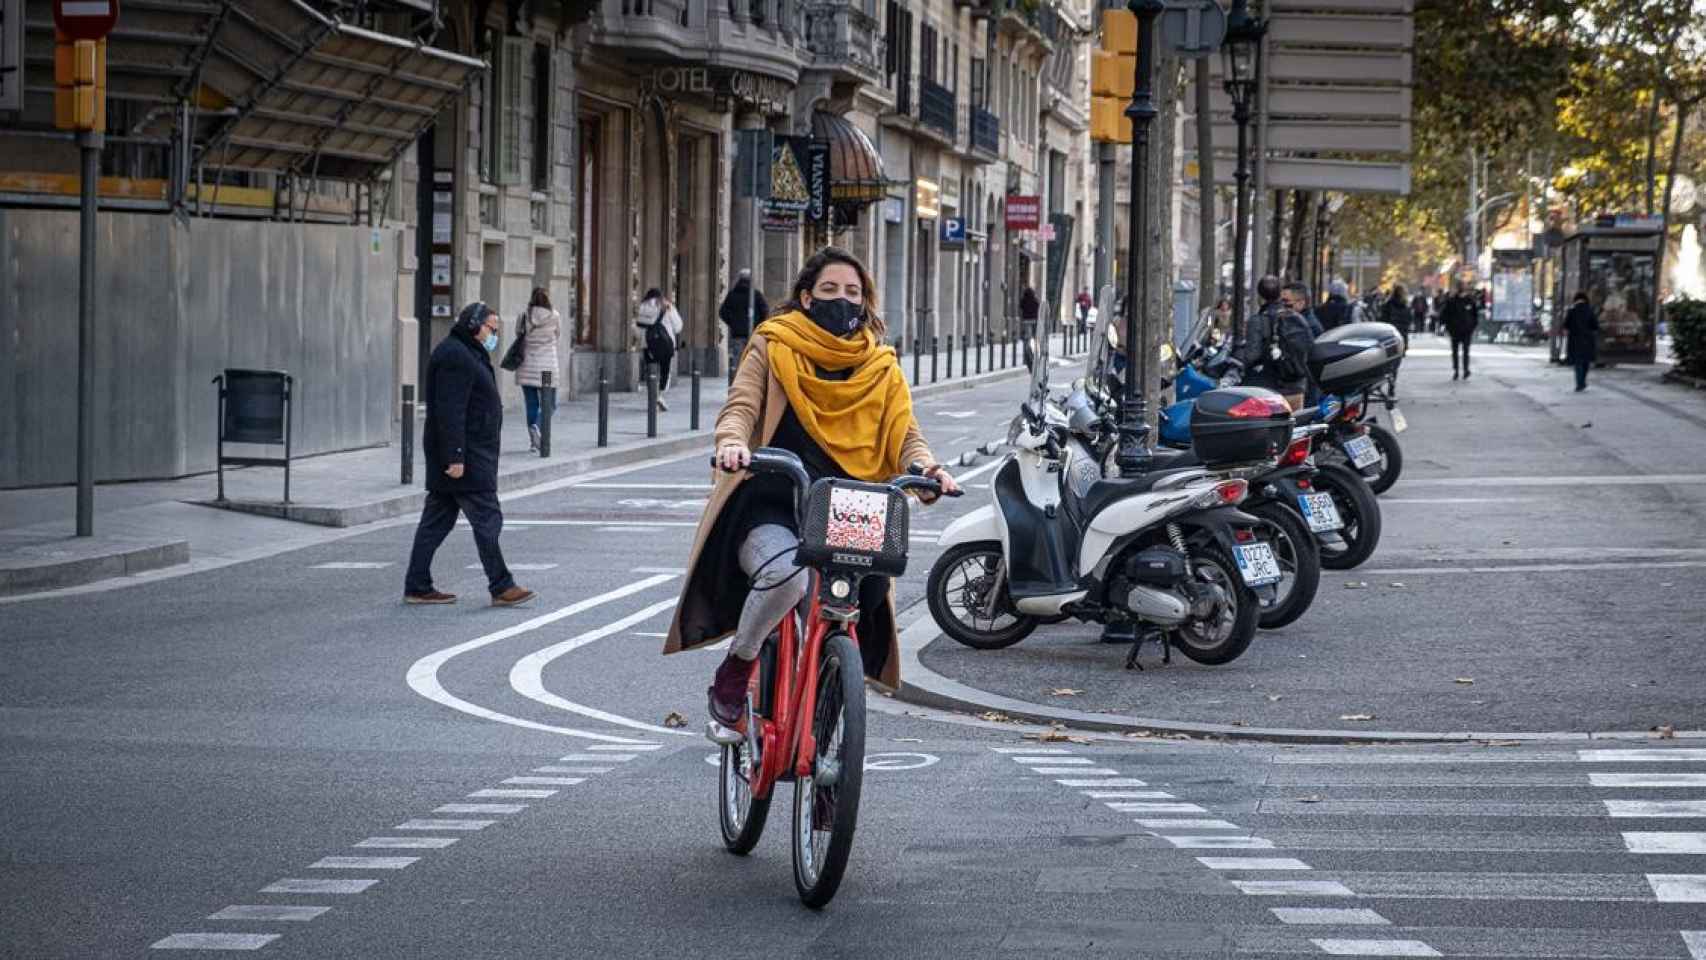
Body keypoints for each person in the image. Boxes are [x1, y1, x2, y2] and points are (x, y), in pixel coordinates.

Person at [661, 247, 961, 731]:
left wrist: (926, 467)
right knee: (787, 577)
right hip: (776, 500)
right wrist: (733, 443)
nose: (842, 300)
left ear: (865, 303)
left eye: (853, 292)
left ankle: (829, 711)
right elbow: (741, 405)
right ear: (805, 297)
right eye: (829, 290)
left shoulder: (881, 365)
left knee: (849, 607)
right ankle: (738, 668)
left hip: (853, 509)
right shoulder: (773, 343)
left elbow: (906, 434)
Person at [404, 302, 536, 608]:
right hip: (466, 458)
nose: (494, 335)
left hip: (467, 455)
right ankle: (501, 585)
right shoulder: (455, 356)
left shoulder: (466, 352)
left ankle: (417, 584)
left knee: (436, 522)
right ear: (474, 325)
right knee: (487, 519)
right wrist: (456, 457)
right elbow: (450, 411)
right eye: (491, 328)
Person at [1231, 275, 1311, 410]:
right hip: (1297, 387)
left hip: (1271, 390)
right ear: (1280, 294)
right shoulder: (1296, 317)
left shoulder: (1257, 320)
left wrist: (1239, 354)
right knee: (1296, 426)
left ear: (1259, 297)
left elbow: (1252, 356)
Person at [514, 287, 562, 452]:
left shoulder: (524, 315)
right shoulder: (555, 316)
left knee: (531, 403)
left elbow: (517, 334)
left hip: (526, 366)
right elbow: (558, 335)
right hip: (547, 370)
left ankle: (533, 442)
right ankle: (538, 426)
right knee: (550, 403)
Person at [636, 287, 682, 411]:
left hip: (648, 345)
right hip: (665, 345)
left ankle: (652, 397)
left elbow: (638, 328)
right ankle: (660, 396)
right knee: (664, 372)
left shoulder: (643, 307)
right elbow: (678, 326)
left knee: (651, 372)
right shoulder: (667, 306)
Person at [718, 269, 769, 383]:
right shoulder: (756, 294)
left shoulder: (732, 295)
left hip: (737, 335)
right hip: (753, 334)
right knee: (753, 362)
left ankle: (738, 386)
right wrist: (758, 325)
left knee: (738, 363)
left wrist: (734, 323)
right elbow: (765, 311)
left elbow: (722, 312)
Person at [1563, 291, 1599, 391]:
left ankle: (1579, 383)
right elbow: (1595, 325)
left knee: (1578, 363)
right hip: (1588, 340)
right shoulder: (1590, 311)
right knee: (1586, 362)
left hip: (1575, 340)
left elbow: (1565, 325)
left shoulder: (1572, 311)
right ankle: (1582, 381)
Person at [1442, 284, 1479, 380]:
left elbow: (1475, 316)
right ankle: (1457, 370)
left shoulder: (1470, 301)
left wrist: (1472, 327)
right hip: (1455, 331)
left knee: (1465, 351)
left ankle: (1465, 370)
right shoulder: (1452, 301)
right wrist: (1449, 328)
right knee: (1456, 352)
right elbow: (1445, 315)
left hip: (1466, 331)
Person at [1383, 283, 1412, 348]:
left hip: (1393, 325)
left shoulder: (1389, 302)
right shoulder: (1405, 303)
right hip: (1402, 326)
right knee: (1402, 342)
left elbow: (1384, 315)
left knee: (1394, 344)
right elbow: (1409, 315)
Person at [1019, 285, 1041, 369]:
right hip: (1035, 321)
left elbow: (1021, 308)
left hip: (1026, 321)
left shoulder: (1023, 300)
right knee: (1036, 339)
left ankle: (1026, 357)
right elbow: (1038, 309)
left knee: (1027, 340)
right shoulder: (1035, 301)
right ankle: (1036, 354)